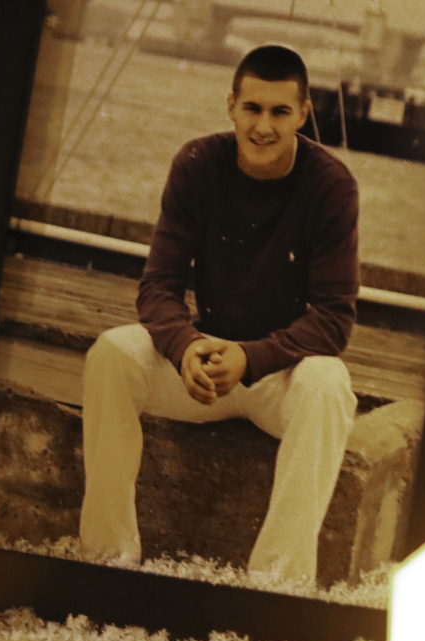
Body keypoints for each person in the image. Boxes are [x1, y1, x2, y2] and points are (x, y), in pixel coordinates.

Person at [78, 45, 359, 581]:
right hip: (200, 368)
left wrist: (250, 358)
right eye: (252, 108)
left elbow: (334, 317)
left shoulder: (331, 186)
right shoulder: (196, 164)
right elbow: (159, 286)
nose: (263, 126)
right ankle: (106, 561)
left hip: (280, 375)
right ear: (230, 105)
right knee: (111, 354)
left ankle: (275, 584)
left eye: (280, 112)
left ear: (303, 115)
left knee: (329, 384)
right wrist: (184, 347)